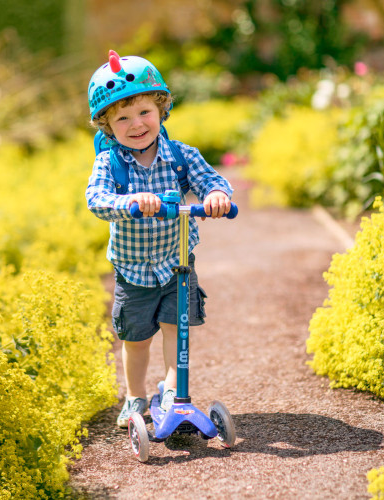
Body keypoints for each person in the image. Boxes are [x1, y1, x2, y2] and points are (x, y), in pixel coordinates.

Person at [85, 50, 234, 428]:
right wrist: (130, 202)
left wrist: (217, 196)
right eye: (122, 118)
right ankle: (135, 397)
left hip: (176, 263)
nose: (136, 124)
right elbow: (96, 199)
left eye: (144, 112)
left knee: (176, 330)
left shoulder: (182, 156)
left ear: (161, 109)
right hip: (132, 270)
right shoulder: (109, 163)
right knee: (135, 340)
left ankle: (172, 392)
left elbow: (211, 180)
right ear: (107, 126)